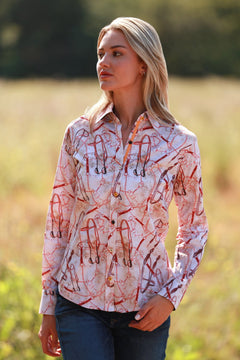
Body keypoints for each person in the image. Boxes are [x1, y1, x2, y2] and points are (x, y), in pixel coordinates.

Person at [38, 17, 208, 360]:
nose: (104, 63)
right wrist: (48, 304)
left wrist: (170, 296)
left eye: (117, 54)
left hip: (145, 307)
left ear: (143, 64)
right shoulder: (79, 134)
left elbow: (195, 229)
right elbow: (59, 221)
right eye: (101, 54)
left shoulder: (179, 143)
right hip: (78, 302)